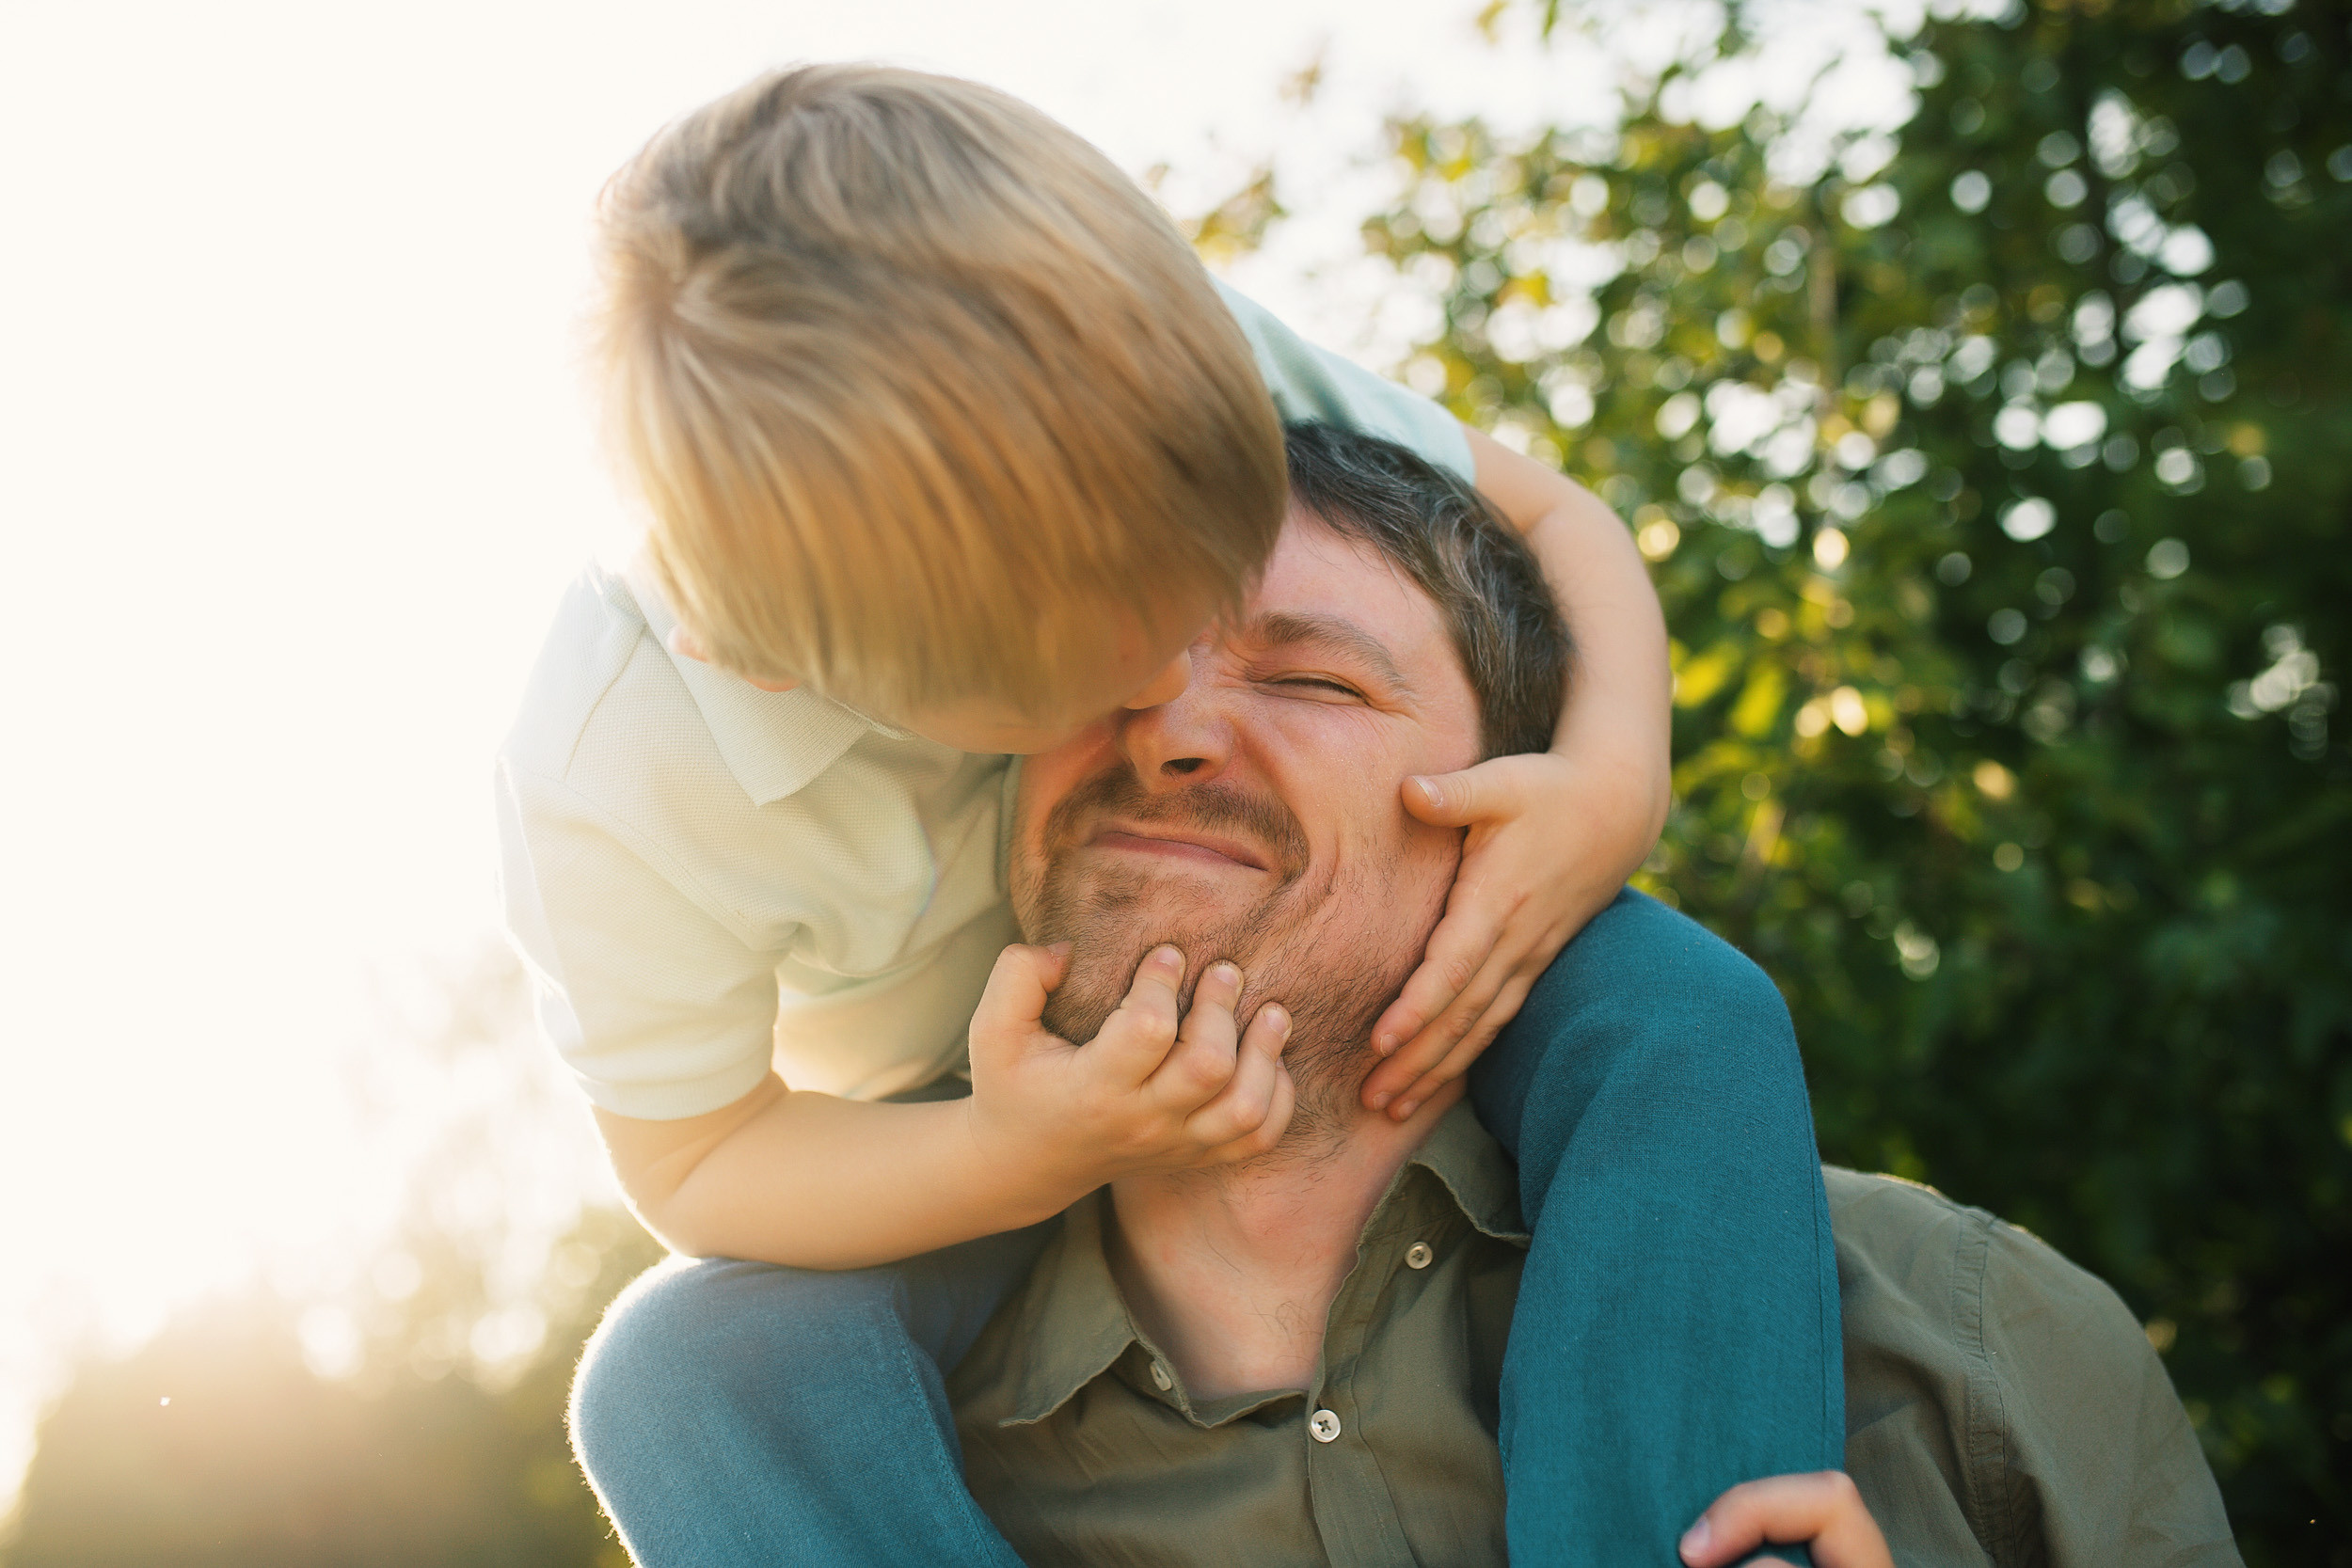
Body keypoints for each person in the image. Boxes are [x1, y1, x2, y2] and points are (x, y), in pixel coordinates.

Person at [516, 66, 1834, 1565]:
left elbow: (1556, 519)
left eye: (1204, 583)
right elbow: (696, 1164)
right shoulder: (614, 779)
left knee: (1681, 1011)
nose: (1174, 687)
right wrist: (1017, 1154)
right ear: (782, 666)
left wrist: (1610, 780)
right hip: (946, 1124)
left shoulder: (1139, 363)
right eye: (1094, 665)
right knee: (685, 1379)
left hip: (1329, 950)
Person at [949, 422, 2242, 1568]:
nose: (1164, 727)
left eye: (1312, 680)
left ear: (1513, 817)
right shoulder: (853, 1462)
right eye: (1098, 666)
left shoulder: (1974, 1347)